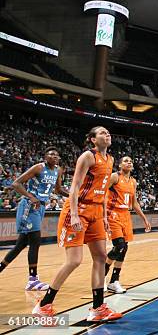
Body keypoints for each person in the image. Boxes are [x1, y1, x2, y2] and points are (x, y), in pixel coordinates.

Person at [32, 126, 123, 322]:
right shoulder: (88, 157)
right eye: (102, 133)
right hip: (78, 210)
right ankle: (43, 305)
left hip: (97, 212)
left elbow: (103, 190)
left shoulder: (111, 160)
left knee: (100, 257)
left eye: (108, 132)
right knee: (74, 260)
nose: (107, 135)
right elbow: (74, 188)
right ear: (92, 140)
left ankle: (98, 308)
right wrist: (73, 215)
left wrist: (105, 217)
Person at [0, 147, 68, 290]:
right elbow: (16, 183)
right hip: (29, 206)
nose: (54, 156)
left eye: (56, 155)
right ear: (45, 156)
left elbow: (58, 190)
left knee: (20, 245)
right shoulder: (38, 168)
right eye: (50, 154)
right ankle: (33, 280)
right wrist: (31, 197)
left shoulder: (58, 170)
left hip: (41, 206)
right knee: (35, 240)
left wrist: (74, 195)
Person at [104, 156, 151, 294]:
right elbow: (102, 193)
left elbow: (134, 203)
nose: (129, 163)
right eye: (125, 161)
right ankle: (101, 275)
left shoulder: (133, 182)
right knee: (119, 245)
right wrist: (102, 214)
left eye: (131, 161)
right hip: (112, 213)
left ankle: (114, 281)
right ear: (119, 165)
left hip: (125, 215)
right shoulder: (114, 177)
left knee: (124, 249)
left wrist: (144, 219)